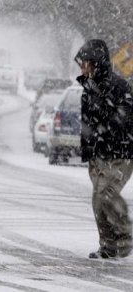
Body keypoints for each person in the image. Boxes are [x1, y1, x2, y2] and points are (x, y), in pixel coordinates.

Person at [75, 39, 133, 259]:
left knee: (106, 195)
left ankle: (125, 237)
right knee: (98, 201)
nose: (82, 67)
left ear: (96, 63)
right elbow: (86, 125)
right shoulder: (87, 89)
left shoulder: (119, 87)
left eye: (86, 62)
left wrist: (106, 129)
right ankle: (108, 245)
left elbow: (125, 117)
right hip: (98, 155)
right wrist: (88, 152)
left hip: (121, 153)